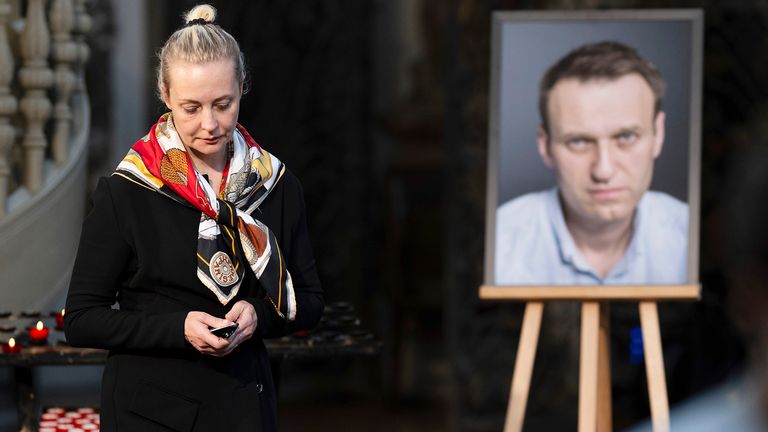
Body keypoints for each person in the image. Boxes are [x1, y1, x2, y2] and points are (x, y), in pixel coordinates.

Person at [64, 5, 323, 431]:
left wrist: (259, 315)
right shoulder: (128, 190)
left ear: (243, 87)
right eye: (190, 107)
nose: (210, 124)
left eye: (224, 104)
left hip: (243, 408)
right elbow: (81, 319)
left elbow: (309, 301)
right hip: (151, 413)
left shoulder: (277, 185)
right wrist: (178, 328)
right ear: (165, 96)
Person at [495, 41, 688, 285]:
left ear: (658, 134)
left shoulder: (692, 238)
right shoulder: (497, 243)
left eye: (626, 137)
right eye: (578, 142)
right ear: (545, 145)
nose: (603, 170)